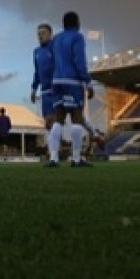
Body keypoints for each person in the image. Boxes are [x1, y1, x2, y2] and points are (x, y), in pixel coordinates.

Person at [46, 11, 95, 168]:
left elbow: (51, 61)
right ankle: (76, 158)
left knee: (58, 119)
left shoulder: (56, 39)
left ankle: (53, 158)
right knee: (77, 118)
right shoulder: (77, 37)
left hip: (57, 80)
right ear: (77, 23)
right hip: (72, 81)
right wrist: (87, 82)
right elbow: (79, 60)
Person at [31, 23, 57, 147]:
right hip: (45, 92)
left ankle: (55, 155)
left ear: (50, 34)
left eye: (43, 33)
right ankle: (53, 154)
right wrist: (33, 88)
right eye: (38, 34)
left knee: (55, 120)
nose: (40, 36)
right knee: (48, 124)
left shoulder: (56, 48)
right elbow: (37, 72)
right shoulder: (36, 52)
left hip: (57, 89)